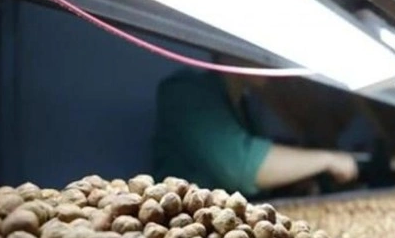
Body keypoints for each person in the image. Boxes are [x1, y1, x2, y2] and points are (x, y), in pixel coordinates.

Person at [153, 56, 359, 197]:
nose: (270, 61)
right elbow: (241, 168)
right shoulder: (185, 91)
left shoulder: (244, 106)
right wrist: (329, 159)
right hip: (188, 233)